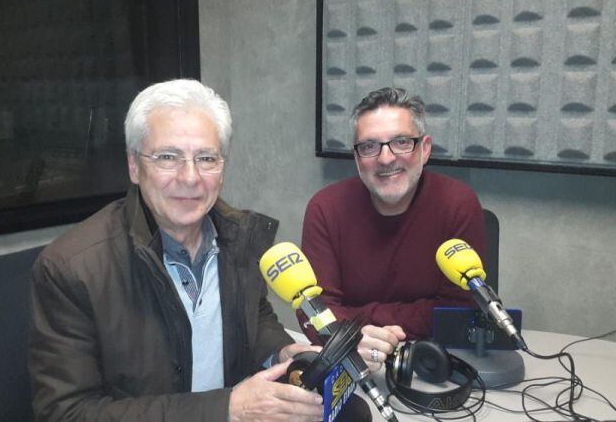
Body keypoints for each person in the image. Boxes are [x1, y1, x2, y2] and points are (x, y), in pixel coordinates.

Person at [28, 79, 324, 422]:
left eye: (206, 158)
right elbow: (65, 414)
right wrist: (226, 409)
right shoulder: (70, 269)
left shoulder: (241, 239)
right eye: (168, 157)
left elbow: (253, 320)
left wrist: (279, 353)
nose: (190, 177)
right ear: (134, 167)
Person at [300, 87, 485, 343]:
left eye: (401, 142)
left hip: (436, 358)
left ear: (425, 149)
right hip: (351, 355)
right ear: (356, 157)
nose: (386, 158)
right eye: (369, 146)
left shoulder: (457, 204)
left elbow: (458, 312)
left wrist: (359, 317)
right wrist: (358, 337)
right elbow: (315, 313)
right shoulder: (325, 209)